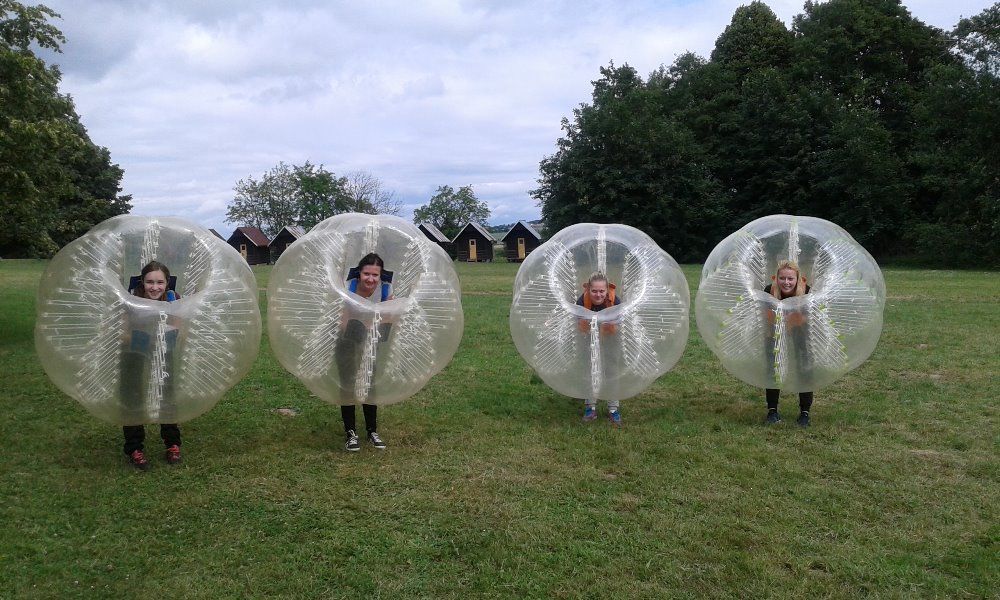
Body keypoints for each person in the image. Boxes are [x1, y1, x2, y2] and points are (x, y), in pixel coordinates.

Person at [122, 260, 182, 470]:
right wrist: (146, 339)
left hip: (164, 353)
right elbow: (122, 333)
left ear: (167, 283)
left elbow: (180, 329)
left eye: (160, 282)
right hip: (133, 354)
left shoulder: (174, 300)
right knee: (132, 397)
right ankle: (134, 447)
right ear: (142, 282)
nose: (155, 287)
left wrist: (167, 337)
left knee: (167, 394)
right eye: (149, 282)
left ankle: (172, 443)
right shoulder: (131, 300)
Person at [337, 253, 392, 451]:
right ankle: (351, 433)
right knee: (348, 383)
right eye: (366, 274)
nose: (370, 279)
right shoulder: (349, 287)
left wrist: (373, 331)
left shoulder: (386, 288)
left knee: (370, 381)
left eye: (375, 275)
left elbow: (389, 315)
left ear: (380, 275)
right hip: (346, 337)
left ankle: (372, 431)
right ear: (359, 273)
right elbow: (342, 320)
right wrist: (362, 328)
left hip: (372, 337)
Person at [763, 260, 813, 427]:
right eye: (782, 278)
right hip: (774, 331)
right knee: (773, 368)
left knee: (804, 367)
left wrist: (796, 319)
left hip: (801, 331)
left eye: (790, 279)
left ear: (797, 279)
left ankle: (805, 413)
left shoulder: (806, 292)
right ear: (776, 278)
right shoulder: (769, 291)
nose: (786, 282)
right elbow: (764, 315)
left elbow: (811, 316)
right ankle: (772, 411)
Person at [576, 272, 623, 424]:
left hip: (610, 337)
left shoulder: (615, 301)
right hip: (588, 337)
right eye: (594, 291)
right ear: (588, 289)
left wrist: (606, 325)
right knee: (590, 370)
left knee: (611, 370)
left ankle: (613, 409)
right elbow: (577, 322)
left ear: (607, 290)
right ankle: (590, 407)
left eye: (602, 291)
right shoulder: (582, 301)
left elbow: (621, 321)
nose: (598, 295)